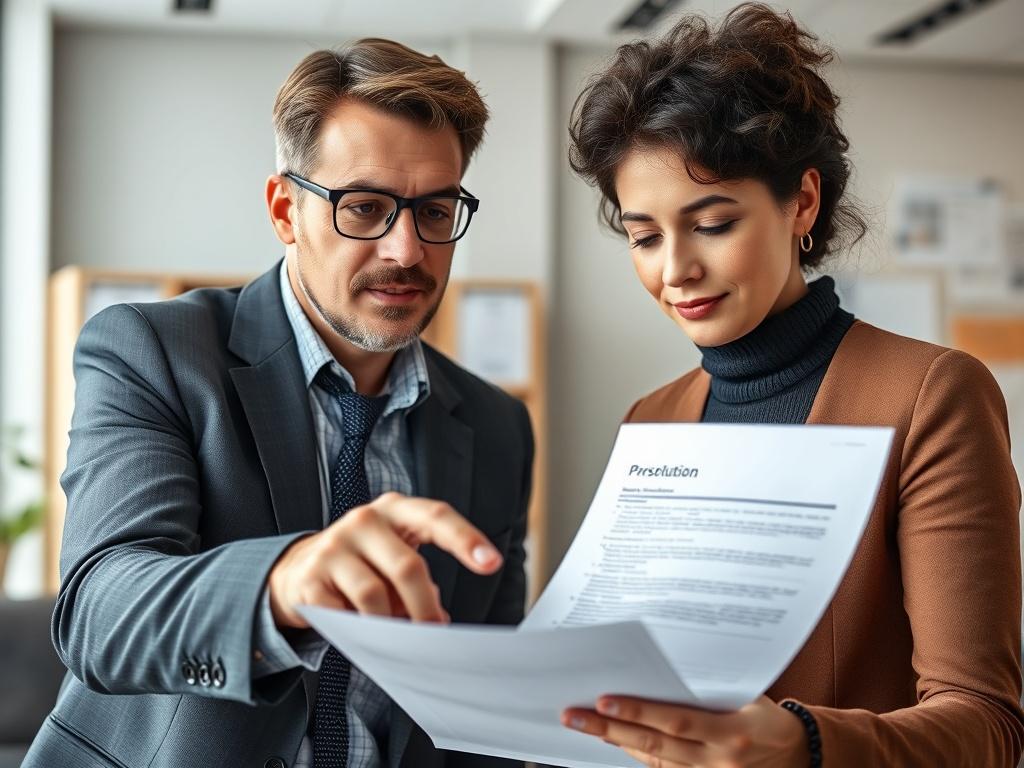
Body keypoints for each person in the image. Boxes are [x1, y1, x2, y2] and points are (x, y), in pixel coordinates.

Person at [25, 39, 533, 768]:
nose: (407, 250)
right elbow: (101, 612)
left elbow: (485, 699)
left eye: (435, 210)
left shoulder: (496, 423)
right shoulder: (153, 351)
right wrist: (283, 583)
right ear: (285, 210)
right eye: (364, 207)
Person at [559, 4, 1023, 767]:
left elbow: (987, 727)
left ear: (801, 202)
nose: (674, 271)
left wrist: (806, 745)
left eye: (711, 224)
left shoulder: (930, 395)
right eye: (645, 236)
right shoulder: (651, 421)